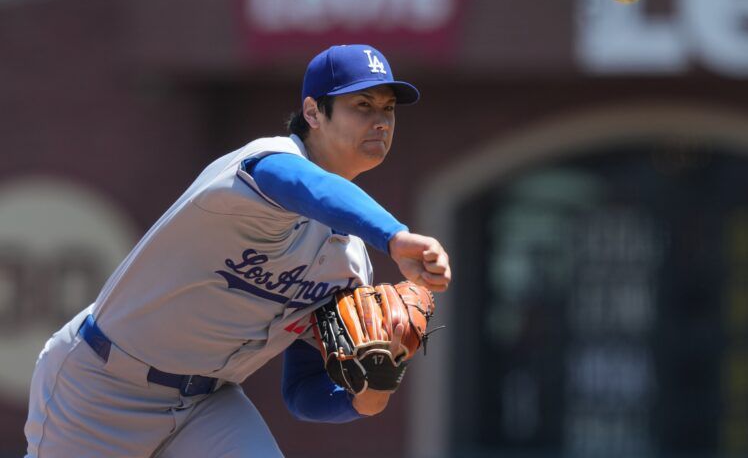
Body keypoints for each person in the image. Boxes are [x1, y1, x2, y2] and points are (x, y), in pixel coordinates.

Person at [24, 44, 451, 457]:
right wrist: (393, 236)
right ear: (312, 112)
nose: (380, 121)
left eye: (388, 109)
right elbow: (303, 186)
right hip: (103, 384)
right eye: (363, 105)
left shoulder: (350, 264)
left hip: (207, 404)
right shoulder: (266, 161)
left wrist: (364, 399)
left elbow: (302, 390)